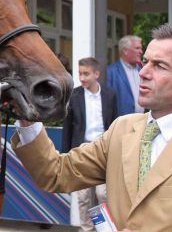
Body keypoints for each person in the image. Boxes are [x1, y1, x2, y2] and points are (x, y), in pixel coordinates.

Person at [13, 24, 172, 231]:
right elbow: (56, 173)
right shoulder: (123, 129)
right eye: (145, 62)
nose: (143, 72)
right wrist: (27, 116)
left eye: (160, 65)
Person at [61, 57, 118, 232]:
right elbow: (67, 128)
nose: (82, 78)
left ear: (96, 74)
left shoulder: (110, 95)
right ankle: (86, 228)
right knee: (83, 196)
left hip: (103, 149)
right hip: (82, 150)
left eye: (86, 74)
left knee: (103, 194)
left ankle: (104, 228)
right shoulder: (74, 95)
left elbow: (115, 123)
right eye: (80, 74)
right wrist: (65, 156)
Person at [106, 35, 143, 115]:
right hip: (123, 123)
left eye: (141, 48)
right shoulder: (111, 72)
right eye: (137, 48)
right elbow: (108, 102)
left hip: (143, 121)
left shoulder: (142, 71)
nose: (141, 51)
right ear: (125, 51)